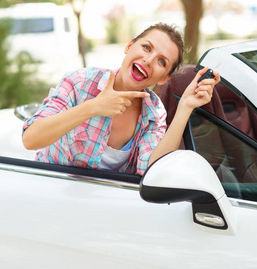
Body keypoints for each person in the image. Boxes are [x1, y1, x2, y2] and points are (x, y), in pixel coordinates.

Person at [22, 23, 220, 175]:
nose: (148, 60)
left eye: (161, 61)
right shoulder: (79, 82)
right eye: (146, 47)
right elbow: (31, 139)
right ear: (129, 46)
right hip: (50, 197)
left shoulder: (153, 113)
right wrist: (93, 107)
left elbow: (153, 170)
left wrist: (185, 107)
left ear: (164, 78)